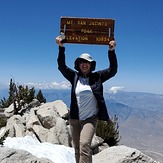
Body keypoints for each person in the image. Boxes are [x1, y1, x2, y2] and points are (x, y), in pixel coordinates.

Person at [56, 35, 118, 163]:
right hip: (74, 118)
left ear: (91, 65)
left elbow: (113, 70)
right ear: (78, 64)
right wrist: (61, 48)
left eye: (87, 62)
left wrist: (111, 51)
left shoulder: (98, 77)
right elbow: (61, 66)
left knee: (84, 144)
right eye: (82, 62)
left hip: (90, 118)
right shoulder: (73, 76)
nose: (84, 64)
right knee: (78, 148)